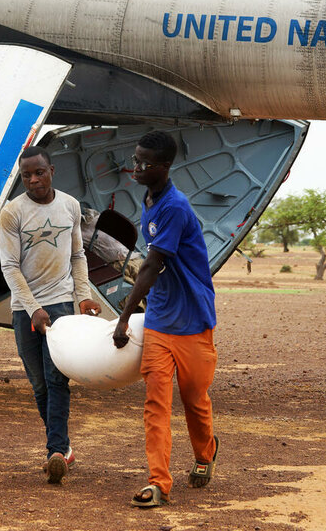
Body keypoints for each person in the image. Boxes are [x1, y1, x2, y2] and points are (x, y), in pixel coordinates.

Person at [112, 131, 218, 508]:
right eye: (135, 159)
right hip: (159, 319)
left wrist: (123, 318)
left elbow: (153, 265)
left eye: (144, 163)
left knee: (194, 400)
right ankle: (159, 482)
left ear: (165, 166)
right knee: (156, 403)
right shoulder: (149, 196)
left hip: (192, 319)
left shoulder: (174, 206)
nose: (136, 167)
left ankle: (205, 452)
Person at [0, 145, 102, 484]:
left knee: (57, 380)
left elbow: (77, 256)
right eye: (26, 175)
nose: (33, 180)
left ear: (51, 170)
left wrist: (82, 297)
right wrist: (32, 309)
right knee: (39, 384)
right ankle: (64, 448)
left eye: (39, 172)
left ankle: (55, 451)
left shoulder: (70, 206)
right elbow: (9, 267)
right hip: (25, 309)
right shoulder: (12, 212)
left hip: (59, 304)